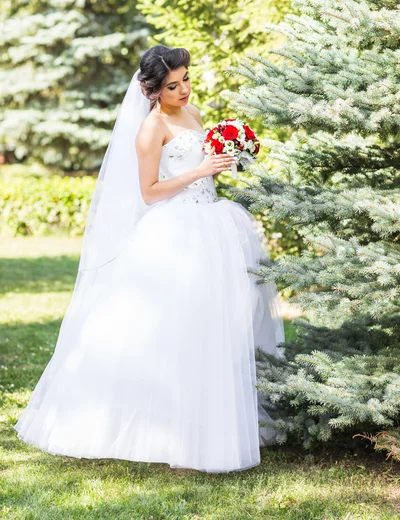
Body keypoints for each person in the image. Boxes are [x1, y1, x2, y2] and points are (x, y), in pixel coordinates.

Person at [13, 45, 285, 473]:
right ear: (153, 90)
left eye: (187, 79)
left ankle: (210, 423)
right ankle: (165, 429)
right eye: (173, 85)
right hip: (176, 230)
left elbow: (205, 161)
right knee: (172, 327)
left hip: (215, 222)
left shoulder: (193, 116)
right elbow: (149, 192)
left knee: (217, 323)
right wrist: (200, 171)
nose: (183, 89)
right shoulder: (150, 128)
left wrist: (229, 160)